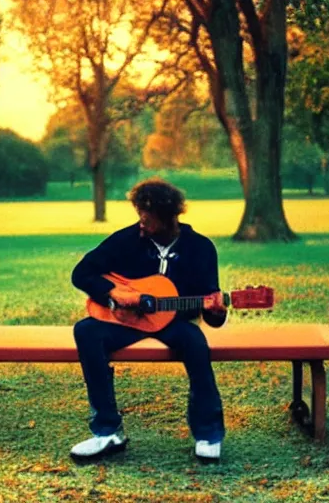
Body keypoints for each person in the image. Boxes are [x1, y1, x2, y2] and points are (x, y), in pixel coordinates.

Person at [70, 177, 228, 462]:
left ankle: (207, 433)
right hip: (126, 322)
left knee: (195, 343)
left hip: (174, 323)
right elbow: (81, 274)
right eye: (139, 215)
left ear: (169, 217)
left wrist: (217, 310)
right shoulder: (127, 239)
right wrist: (113, 292)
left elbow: (209, 310)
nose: (141, 222)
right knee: (86, 331)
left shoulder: (201, 248)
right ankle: (107, 431)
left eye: (148, 217)